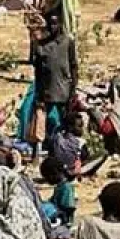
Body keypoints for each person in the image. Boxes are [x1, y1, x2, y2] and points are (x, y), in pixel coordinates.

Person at [30, 13, 78, 144]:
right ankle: (50, 146)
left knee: (65, 121)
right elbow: (38, 71)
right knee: (48, 122)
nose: (53, 27)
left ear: (60, 25)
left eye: (55, 23)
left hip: (64, 89)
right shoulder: (42, 46)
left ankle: (66, 146)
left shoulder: (68, 41)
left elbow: (73, 66)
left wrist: (73, 88)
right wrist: (39, 92)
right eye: (50, 24)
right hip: (48, 90)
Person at [39, 156, 76, 230]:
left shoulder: (66, 187)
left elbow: (68, 209)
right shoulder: (60, 186)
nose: (47, 180)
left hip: (62, 222)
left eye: (47, 177)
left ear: (54, 174)